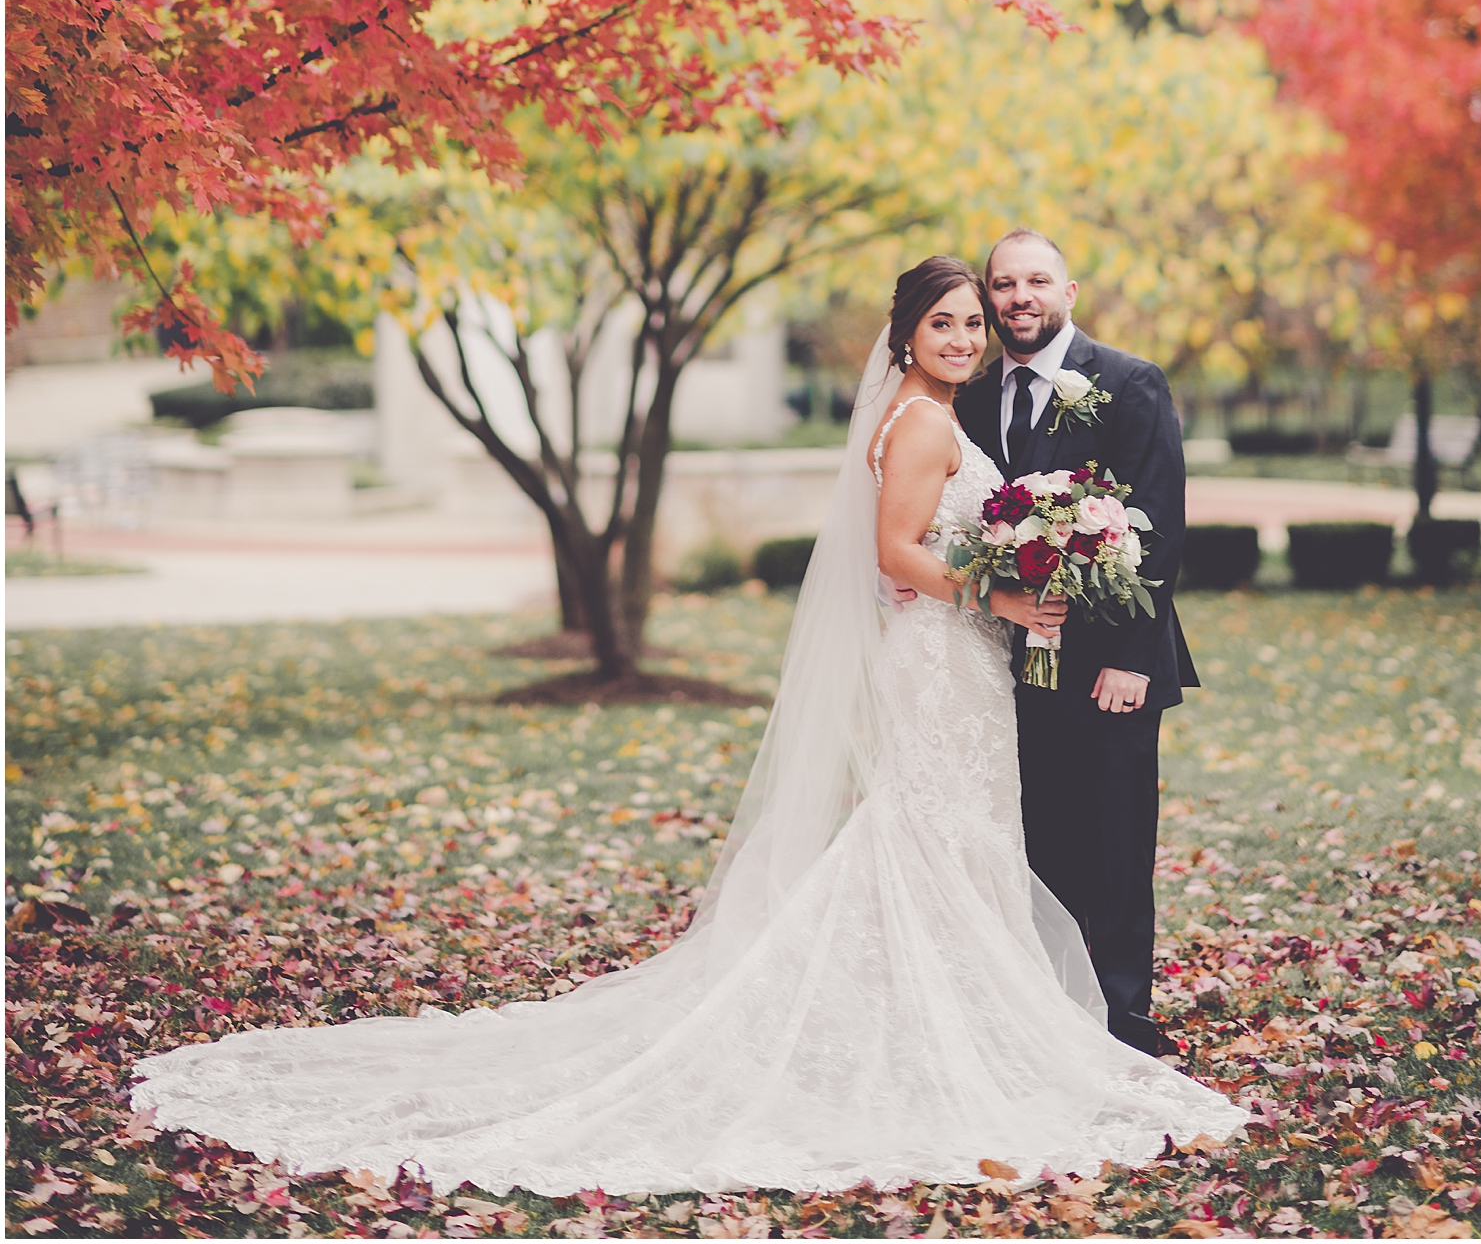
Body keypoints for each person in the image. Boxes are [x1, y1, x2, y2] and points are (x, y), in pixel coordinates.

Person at [133, 258, 1241, 1196]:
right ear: (903, 333)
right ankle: (934, 1034)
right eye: (942, 319)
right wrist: (998, 595)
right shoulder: (919, 423)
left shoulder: (944, 411)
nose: (962, 332)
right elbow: (894, 555)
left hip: (958, 666)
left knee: (949, 836)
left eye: (970, 319)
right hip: (939, 661)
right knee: (929, 835)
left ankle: (946, 1020)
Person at [955, 228, 1196, 1060]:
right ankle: (1054, 1009)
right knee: (1041, 836)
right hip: (1008, 657)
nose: (1020, 297)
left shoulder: (1127, 383)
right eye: (1004, 284)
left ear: (1069, 291)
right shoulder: (972, 397)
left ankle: (1124, 1017)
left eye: (1036, 281)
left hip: (1110, 665)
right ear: (989, 297)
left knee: (1116, 841)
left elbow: (1157, 526)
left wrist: (1132, 656)